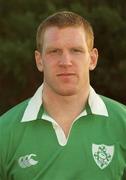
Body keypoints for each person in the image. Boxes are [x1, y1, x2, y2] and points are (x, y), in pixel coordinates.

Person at [0, 11, 126, 180]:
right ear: (39, 60)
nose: (66, 62)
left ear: (93, 59)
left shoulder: (122, 123)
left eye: (76, 50)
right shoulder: (4, 132)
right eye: (54, 51)